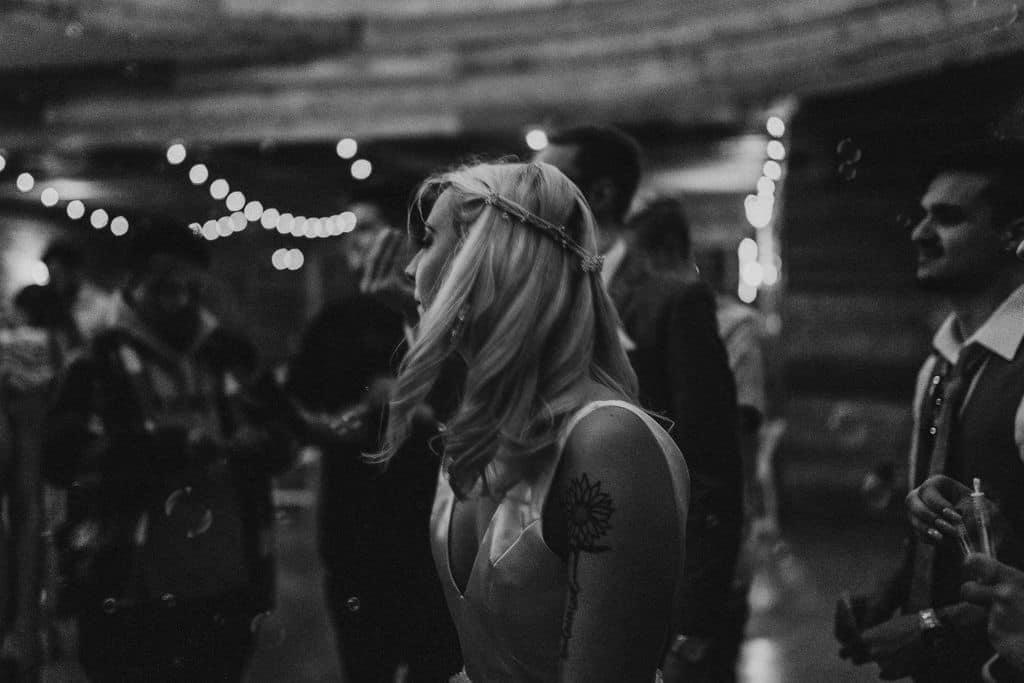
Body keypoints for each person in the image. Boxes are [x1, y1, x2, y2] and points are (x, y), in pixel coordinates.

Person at [376, 160, 690, 681]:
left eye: (428, 241)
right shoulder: (475, 435)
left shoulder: (606, 443)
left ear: (484, 262)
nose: (410, 269)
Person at [40, 224, 293, 682]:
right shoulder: (95, 362)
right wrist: (164, 448)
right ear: (132, 284)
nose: (180, 302)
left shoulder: (229, 353)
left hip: (225, 591)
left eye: (191, 289)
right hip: (126, 597)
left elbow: (286, 436)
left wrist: (259, 444)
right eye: (164, 289)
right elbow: (59, 461)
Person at [536, 127, 742, 680]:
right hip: (548, 567)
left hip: (645, 568)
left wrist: (695, 620)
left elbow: (711, 460)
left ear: (599, 194)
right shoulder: (544, 292)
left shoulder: (673, 298)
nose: (528, 194)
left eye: (547, 180)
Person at [838, 142, 1024, 681]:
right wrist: (896, 590)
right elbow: (936, 522)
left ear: (1013, 234)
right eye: (922, 215)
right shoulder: (941, 365)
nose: (919, 233)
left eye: (947, 217)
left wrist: (932, 628)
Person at [284, 293, 461, 682]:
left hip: (433, 536)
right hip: (358, 535)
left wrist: (413, 407)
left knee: (434, 663)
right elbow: (298, 407)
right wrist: (355, 408)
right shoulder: (340, 321)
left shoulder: (450, 319)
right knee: (367, 663)